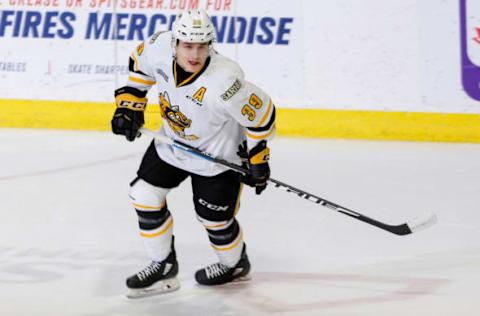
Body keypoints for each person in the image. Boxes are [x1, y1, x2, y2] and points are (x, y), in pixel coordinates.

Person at [111, 9, 276, 298]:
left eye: (202, 46)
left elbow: (262, 115)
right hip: (172, 144)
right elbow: (139, 67)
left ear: (210, 44)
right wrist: (129, 105)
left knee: (214, 220)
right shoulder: (157, 46)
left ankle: (234, 264)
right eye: (187, 45)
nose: (194, 54)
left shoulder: (225, 80)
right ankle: (163, 265)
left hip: (217, 157)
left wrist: (257, 157)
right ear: (175, 43)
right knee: (143, 196)